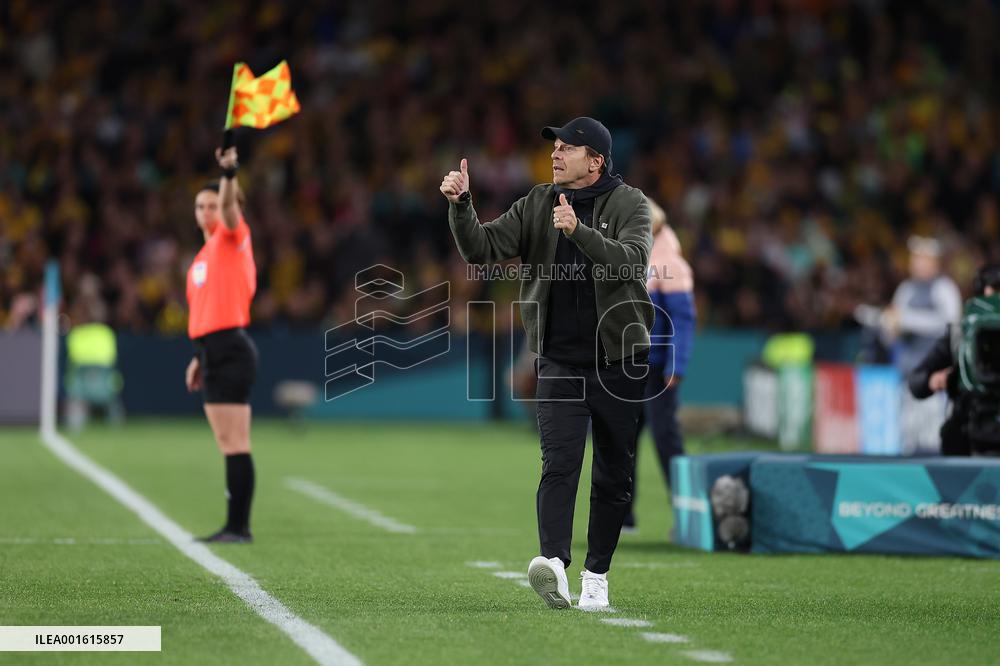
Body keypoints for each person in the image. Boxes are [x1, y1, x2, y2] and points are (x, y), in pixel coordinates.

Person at [441, 117, 654, 611]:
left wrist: (579, 232)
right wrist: (462, 205)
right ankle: (554, 564)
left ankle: (596, 574)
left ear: (596, 161)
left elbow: (632, 263)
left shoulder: (630, 203)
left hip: (620, 361)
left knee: (613, 475)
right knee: (558, 464)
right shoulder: (537, 202)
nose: (555, 154)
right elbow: (482, 249)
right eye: (554, 147)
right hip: (559, 361)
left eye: (567, 148)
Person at [185, 146, 259, 543]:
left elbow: (230, 208)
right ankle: (236, 525)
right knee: (229, 442)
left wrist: (229, 172)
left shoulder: (232, 236)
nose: (206, 212)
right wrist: (199, 357)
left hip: (230, 347)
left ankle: (237, 526)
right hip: (214, 349)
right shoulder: (204, 254)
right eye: (200, 206)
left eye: (212, 205)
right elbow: (205, 310)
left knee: (235, 443)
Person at [623, 199, 695, 533]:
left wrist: (676, 365)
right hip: (629, 364)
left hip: (656, 368)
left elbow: (683, 320)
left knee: (666, 439)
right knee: (621, 441)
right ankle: (622, 515)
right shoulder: (636, 256)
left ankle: (688, 513)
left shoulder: (670, 264)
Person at [908, 264, 1000, 456]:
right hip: (968, 433)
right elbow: (916, 382)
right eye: (996, 289)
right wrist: (939, 379)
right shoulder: (960, 335)